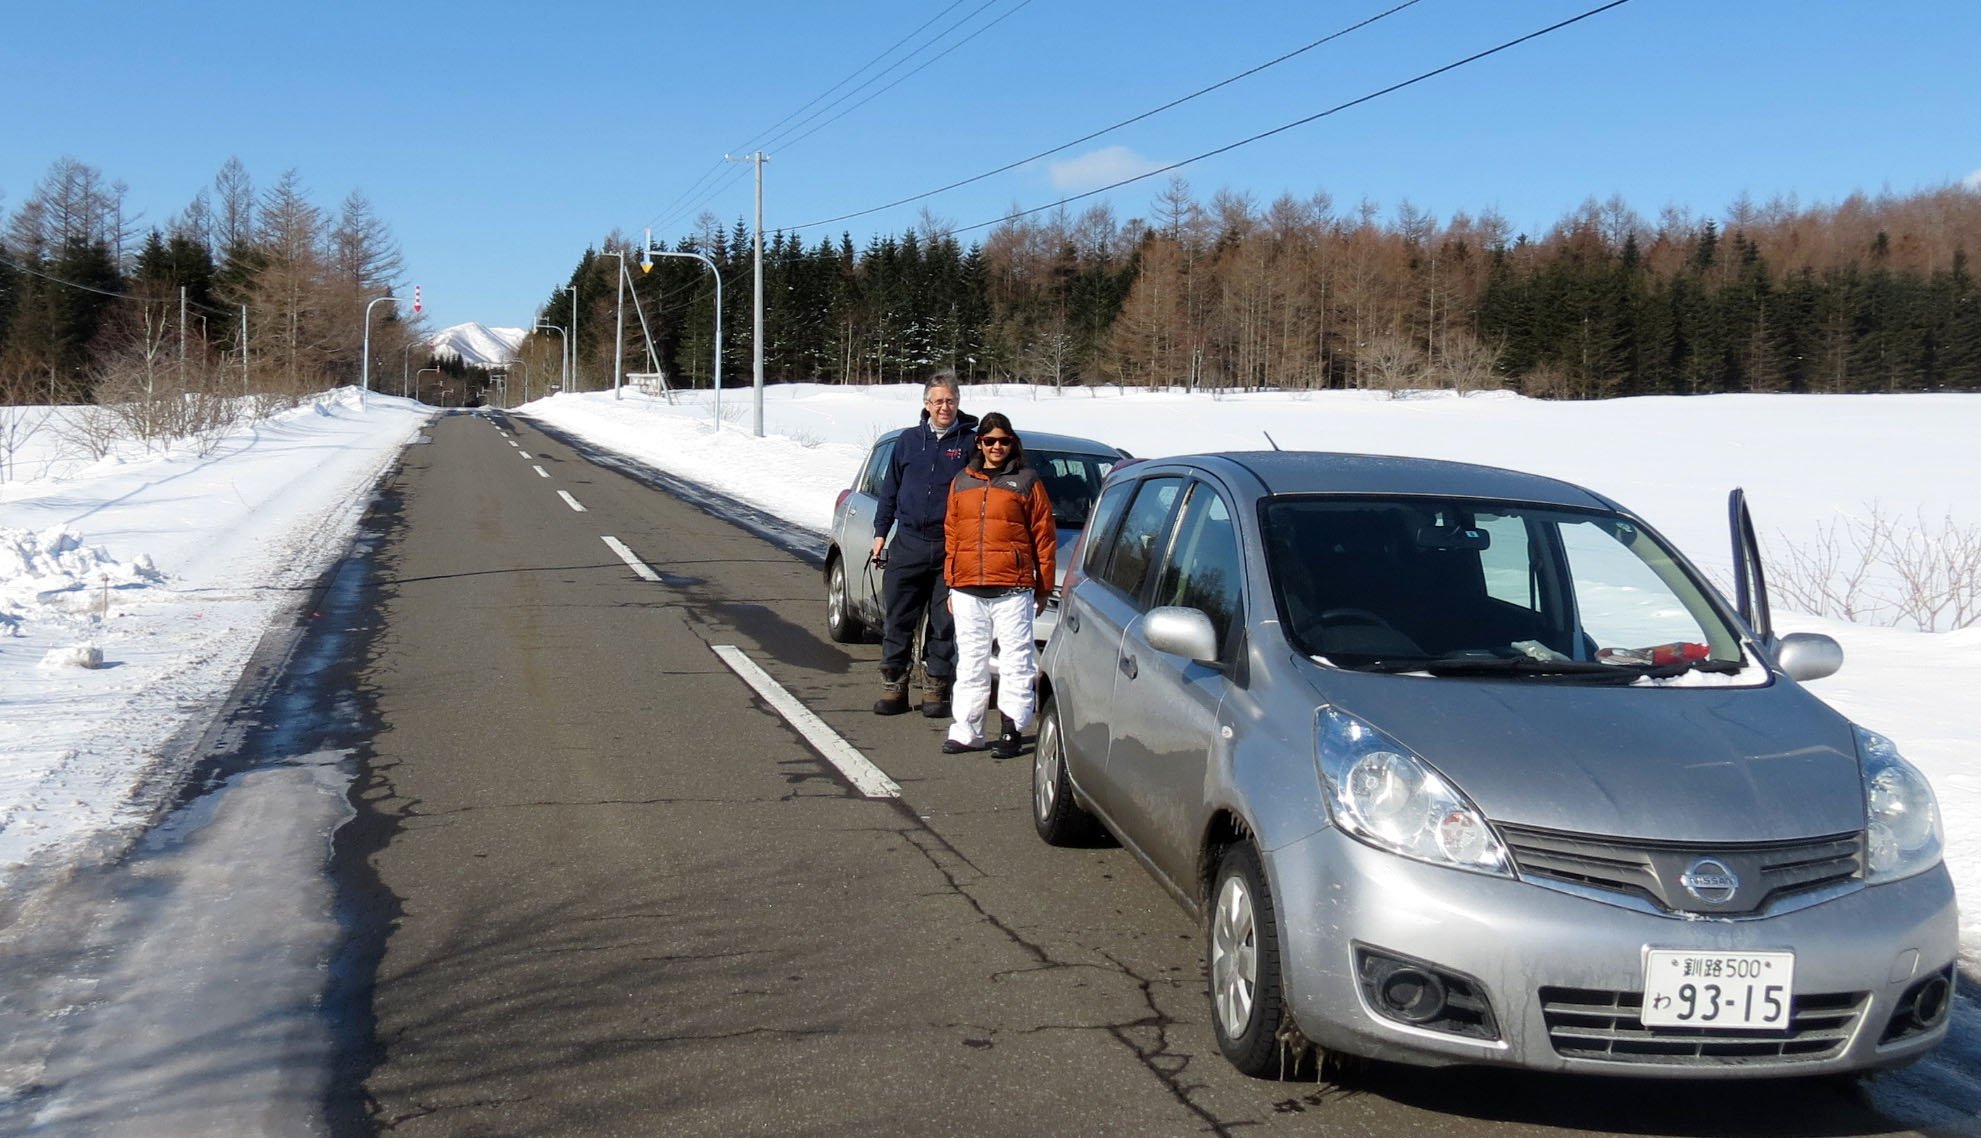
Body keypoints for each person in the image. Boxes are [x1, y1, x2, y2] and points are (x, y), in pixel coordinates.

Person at [940, 412, 1056, 759]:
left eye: (1003, 441)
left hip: (1012, 589)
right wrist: (951, 580)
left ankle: (1012, 728)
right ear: (979, 443)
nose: (996, 447)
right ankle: (967, 731)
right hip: (967, 589)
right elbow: (952, 532)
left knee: (1016, 661)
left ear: (1012, 443)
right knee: (971, 662)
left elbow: (1044, 535)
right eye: (989, 441)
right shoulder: (962, 480)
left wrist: (1043, 586)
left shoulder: (1026, 481)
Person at [870, 372, 978, 717]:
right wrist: (880, 533)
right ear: (926, 404)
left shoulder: (970, 444)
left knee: (944, 622)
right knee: (899, 617)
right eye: (938, 401)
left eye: (950, 400)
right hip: (909, 543)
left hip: (951, 546)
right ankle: (894, 686)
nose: (944, 407)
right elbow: (890, 491)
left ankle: (935, 687)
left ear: (958, 403)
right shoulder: (907, 441)